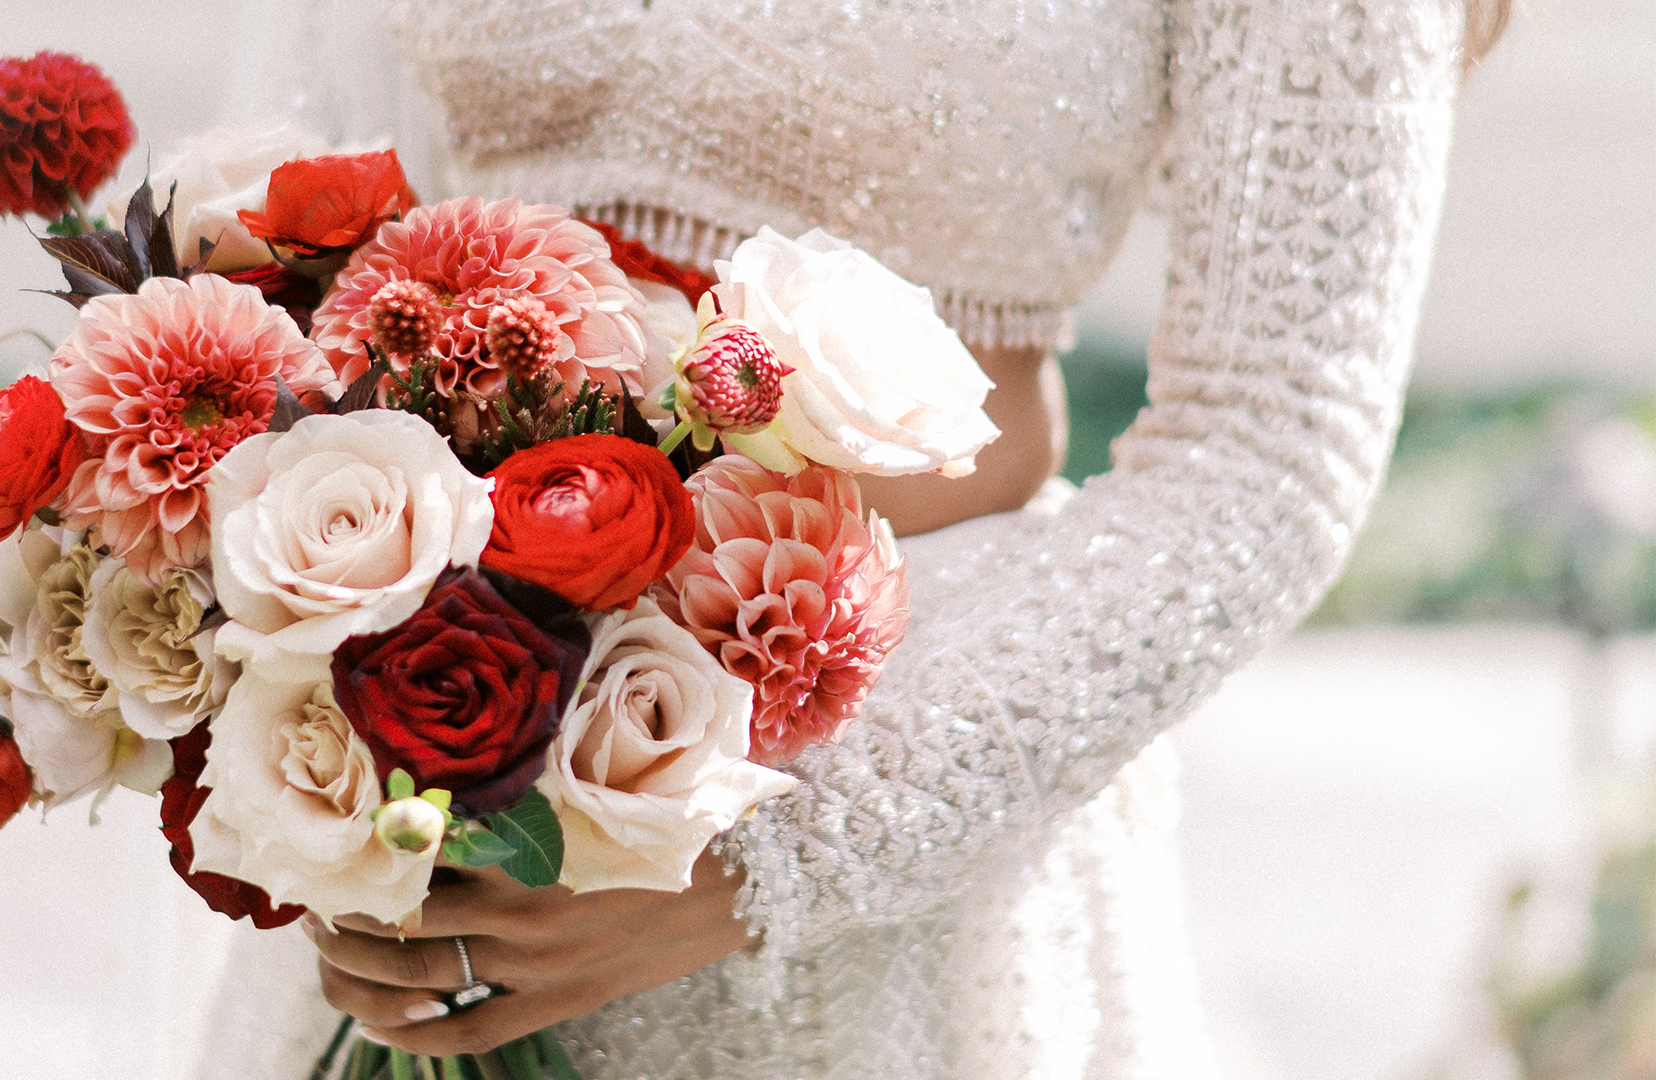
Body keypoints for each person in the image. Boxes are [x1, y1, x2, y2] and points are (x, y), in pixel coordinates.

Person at [187, 1, 1505, 1075]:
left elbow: (1271, 444)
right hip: (426, 740)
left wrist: (771, 856)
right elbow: (300, 209)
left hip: (904, 802)